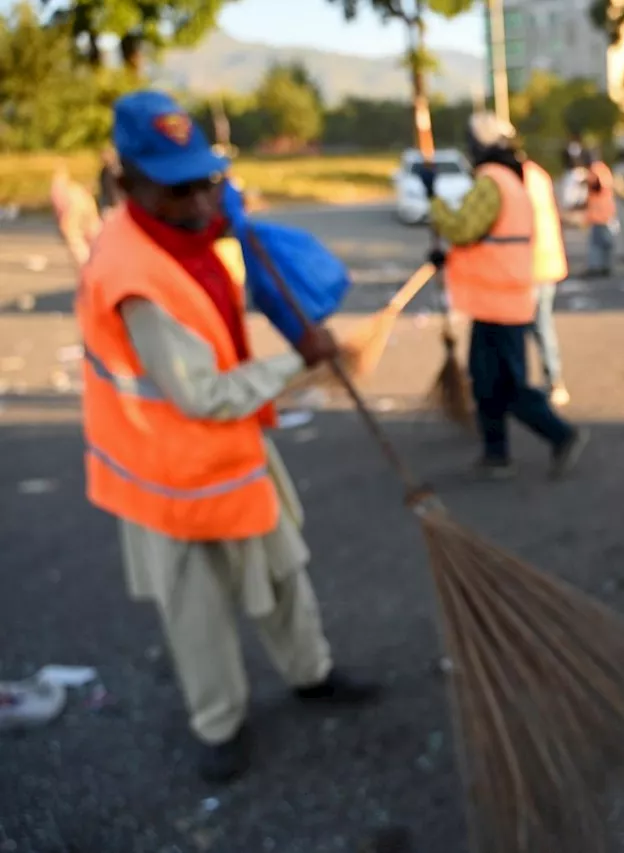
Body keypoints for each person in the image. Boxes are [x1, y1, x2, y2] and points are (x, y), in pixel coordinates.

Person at [75, 90, 379, 784]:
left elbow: (215, 242)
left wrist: (228, 219)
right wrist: (300, 361)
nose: (198, 204)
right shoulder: (129, 275)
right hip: (166, 470)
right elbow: (200, 393)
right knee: (199, 612)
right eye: (177, 189)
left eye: (205, 182)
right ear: (127, 184)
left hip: (233, 452)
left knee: (282, 571)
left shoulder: (187, 231)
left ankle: (312, 674)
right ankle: (220, 724)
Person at [423, 112, 589, 479]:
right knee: (487, 381)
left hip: (499, 300)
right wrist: (447, 257)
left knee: (506, 384)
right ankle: (495, 453)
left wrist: (433, 199)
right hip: (500, 297)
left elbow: (464, 227)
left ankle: (560, 435)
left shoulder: (492, 182)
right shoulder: (516, 178)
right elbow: (487, 238)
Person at [521, 151, 572, 407]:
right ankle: (553, 380)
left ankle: (551, 382)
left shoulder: (517, 178)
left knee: (533, 326)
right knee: (542, 324)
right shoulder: (537, 174)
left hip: (530, 264)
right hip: (546, 260)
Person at [50, 165, 102, 271]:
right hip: (85, 213)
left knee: (76, 243)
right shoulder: (77, 190)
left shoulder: (61, 189)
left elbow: (61, 209)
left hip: (73, 213)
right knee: (91, 240)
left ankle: (87, 267)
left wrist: (63, 225)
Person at [583, 151, 617, 277]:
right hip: (606, 211)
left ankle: (595, 267)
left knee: (597, 243)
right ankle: (605, 266)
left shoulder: (595, 170)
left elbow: (596, 186)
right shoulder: (603, 169)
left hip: (599, 214)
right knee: (605, 242)